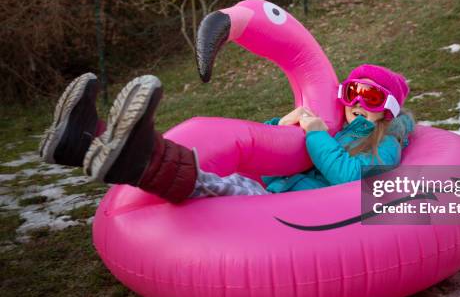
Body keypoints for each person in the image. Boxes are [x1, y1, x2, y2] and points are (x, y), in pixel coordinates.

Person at [39, 64, 414, 203]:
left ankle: (134, 155)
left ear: (389, 109)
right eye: (352, 91)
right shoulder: (335, 126)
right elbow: (276, 156)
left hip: (281, 209)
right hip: (273, 189)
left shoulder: (384, 142)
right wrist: (279, 128)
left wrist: (316, 136)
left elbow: (353, 180)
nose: (357, 102)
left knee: (209, 185)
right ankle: (82, 141)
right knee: (211, 172)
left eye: (371, 96)